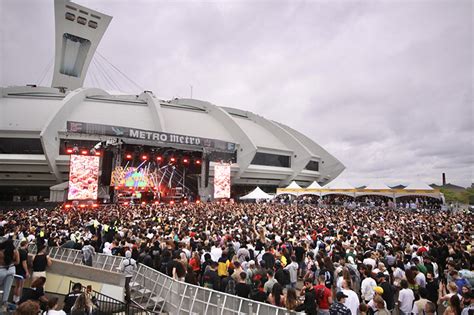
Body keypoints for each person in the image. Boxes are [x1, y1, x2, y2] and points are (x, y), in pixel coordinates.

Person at [0, 239, 20, 311]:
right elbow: (17, 262)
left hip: (1, 269)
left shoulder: (1, 252)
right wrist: (11, 263)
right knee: (7, 288)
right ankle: (3, 305)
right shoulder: (15, 251)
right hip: (11, 269)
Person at [14, 239, 29, 304]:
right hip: (22, 271)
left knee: (16, 285)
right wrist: (27, 271)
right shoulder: (24, 252)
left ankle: (14, 299)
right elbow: (24, 263)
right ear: (25, 245)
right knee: (20, 286)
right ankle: (17, 300)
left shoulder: (17, 250)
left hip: (16, 269)